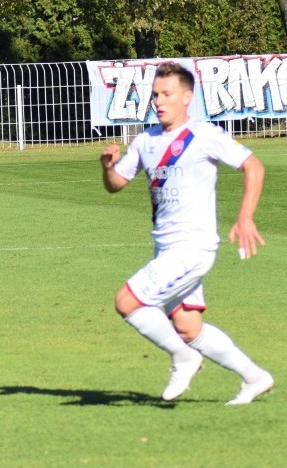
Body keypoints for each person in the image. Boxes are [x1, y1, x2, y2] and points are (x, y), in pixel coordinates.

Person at [99, 62, 273, 405]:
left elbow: (253, 165)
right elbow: (116, 184)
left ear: (187, 97)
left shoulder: (204, 134)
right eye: (155, 95)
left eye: (167, 94)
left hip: (193, 248)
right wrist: (107, 168)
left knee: (127, 302)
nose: (159, 102)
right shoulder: (146, 140)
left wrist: (245, 217)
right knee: (188, 328)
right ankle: (255, 377)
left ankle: (184, 358)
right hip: (166, 250)